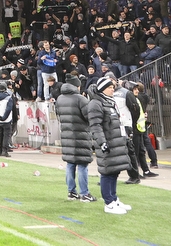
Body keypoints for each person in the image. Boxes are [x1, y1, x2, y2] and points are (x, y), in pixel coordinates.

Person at [88, 75, 132, 214]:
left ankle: (114, 198)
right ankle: (108, 203)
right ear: (102, 89)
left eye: (113, 87)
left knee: (114, 171)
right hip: (107, 143)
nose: (112, 89)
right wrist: (102, 143)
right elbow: (95, 125)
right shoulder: (96, 103)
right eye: (109, 87)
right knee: (107, 173)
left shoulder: (109, 101)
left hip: (115, 142)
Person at [55, 75, 96, 202]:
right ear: (76, 86)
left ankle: (71, 192)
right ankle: (85, 194)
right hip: (81, 136)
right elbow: (89, 116)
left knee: (70, 164)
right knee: (83, 165)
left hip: (67, 136)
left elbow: (59, 116)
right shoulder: (81, 99)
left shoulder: (59, 99)